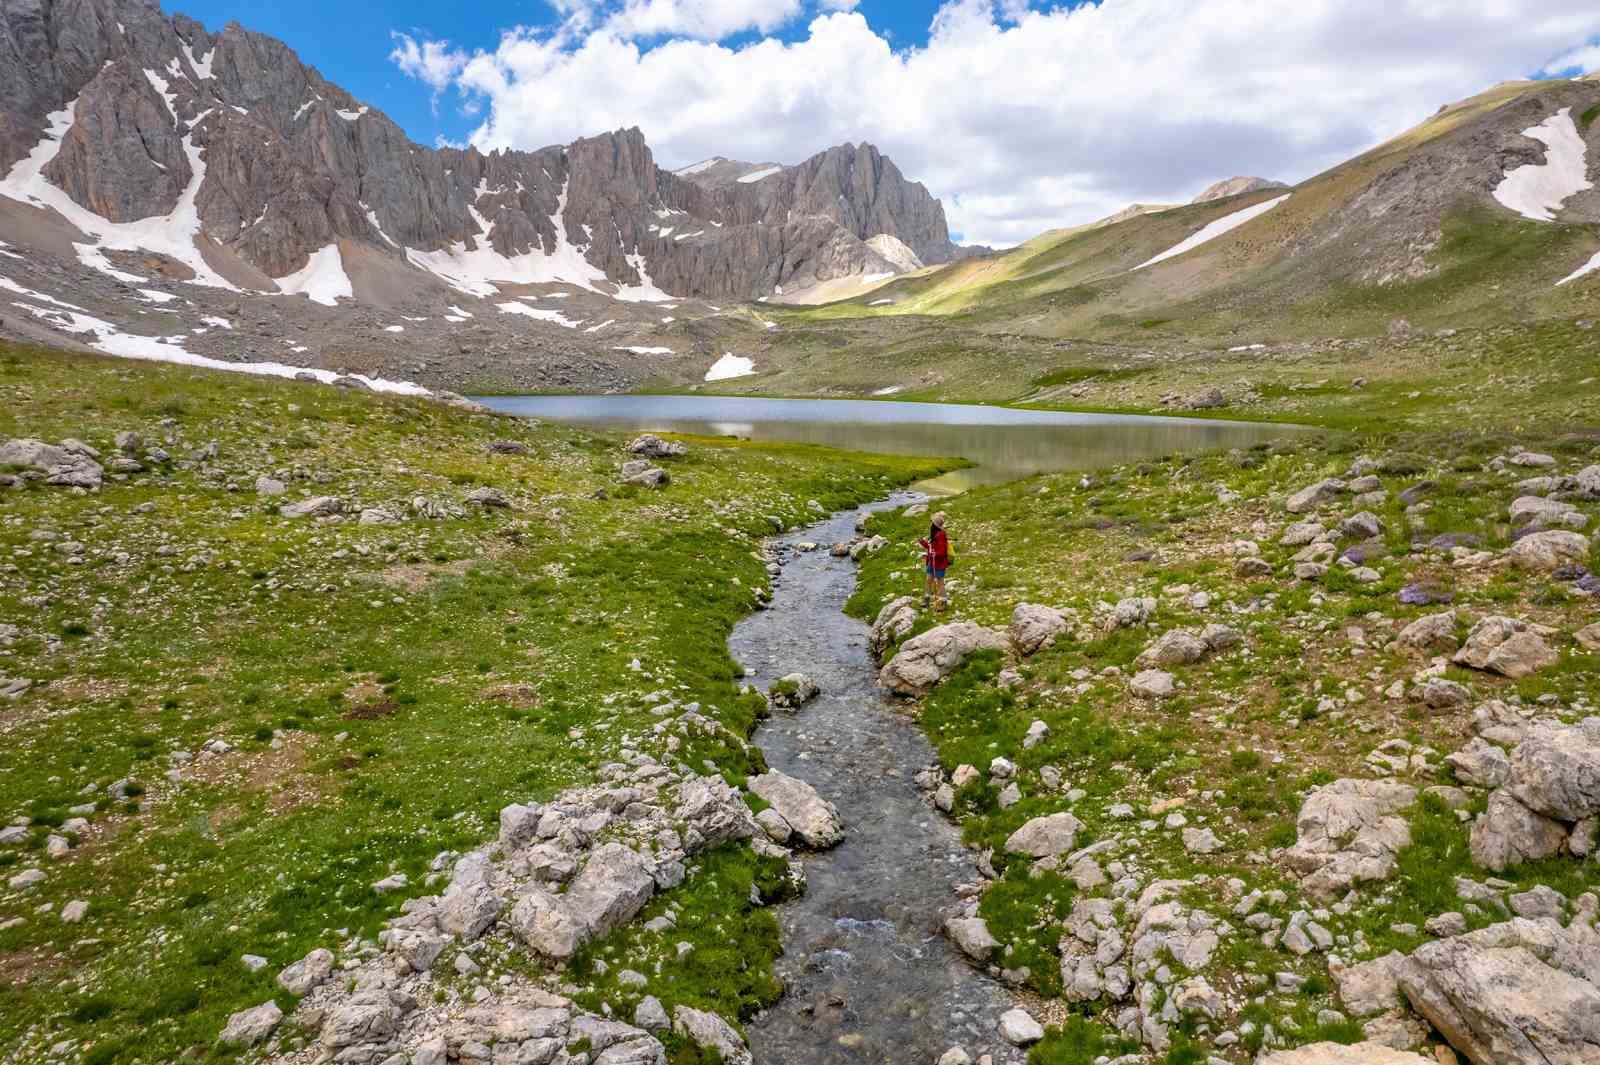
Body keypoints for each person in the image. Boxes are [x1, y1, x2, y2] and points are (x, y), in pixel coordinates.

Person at [918, 511, 952, 611]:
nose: (930, 523)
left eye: (932, 522)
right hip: (931, 562)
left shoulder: (941, 534)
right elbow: (930, 547)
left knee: (940, 582)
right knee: (929, 579)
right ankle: (926, 599)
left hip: (939, 563)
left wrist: (934, 553)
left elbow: (942, 551)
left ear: (934, 524)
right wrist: (923, 542)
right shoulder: (934, 534)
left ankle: (943, 602)